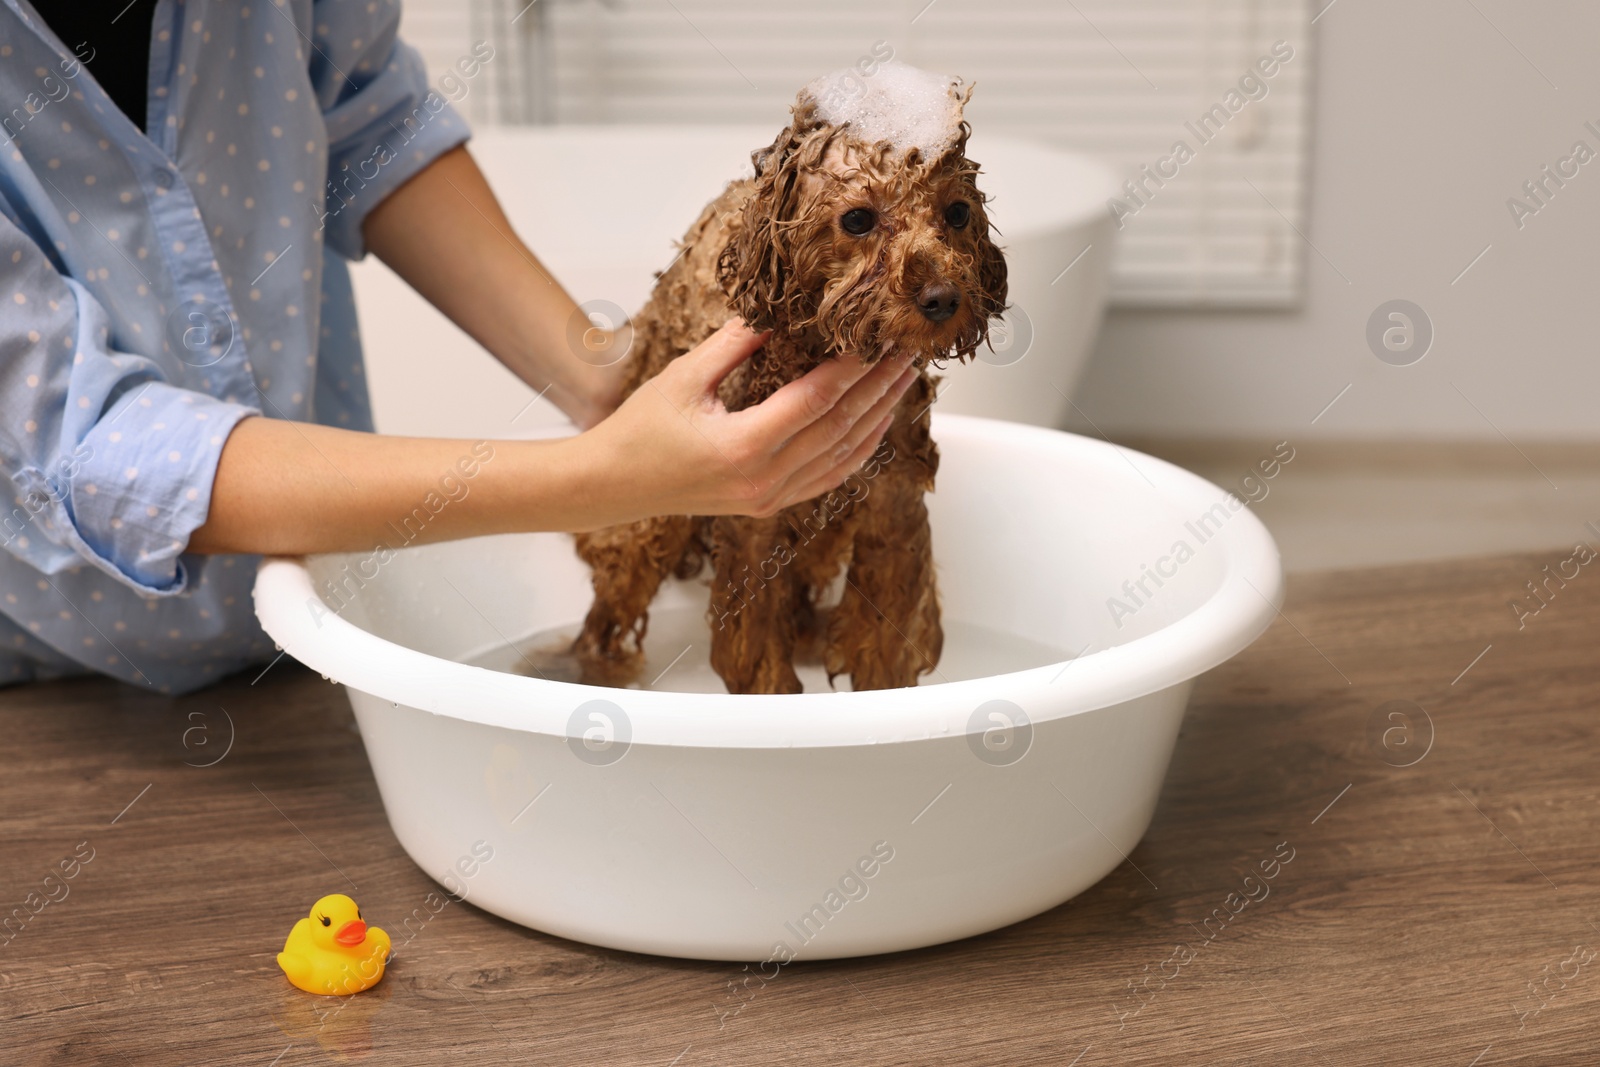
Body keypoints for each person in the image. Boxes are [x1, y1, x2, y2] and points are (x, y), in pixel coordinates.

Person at [0, 1, 915, 692]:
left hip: (319, 634)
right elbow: (88, 440)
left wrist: (611, 379)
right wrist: (608, 474)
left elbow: (367, 123)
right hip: (60, 689)